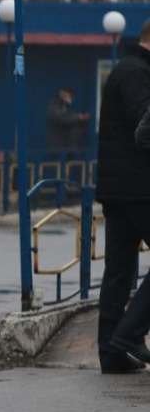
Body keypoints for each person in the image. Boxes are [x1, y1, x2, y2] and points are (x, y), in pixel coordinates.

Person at [97, 19, 150, 372]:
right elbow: (143, 125)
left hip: (120, 187)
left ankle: (112, 354)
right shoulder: (137, 73)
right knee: (119, 270)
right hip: (139, 187)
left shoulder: (127, 68)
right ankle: (129, 334)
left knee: (119, 271)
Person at [45, 86, 90, 156]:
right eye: (69, 95)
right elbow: (60, 118)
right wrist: (78, 117)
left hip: (66, 146)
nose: (71, 98)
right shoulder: (54, 105)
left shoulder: (65, 106)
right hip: (57, 146)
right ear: (62, 94)